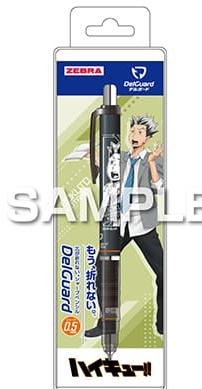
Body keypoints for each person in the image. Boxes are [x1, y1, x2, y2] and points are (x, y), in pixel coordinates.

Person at [85, 115, 164, 337]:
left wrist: (152, 163)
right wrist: (94, 157)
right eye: (132, 131)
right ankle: (105, 323)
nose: (134, 135)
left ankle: (163, 323)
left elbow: (161, 188)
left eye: (140, 132)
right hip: (119, 223)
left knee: (164, 273)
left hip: (143, 225)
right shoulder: (121, 158)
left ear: (147, 138)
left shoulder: (155, 159)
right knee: (102, 267)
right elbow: (108, 171)